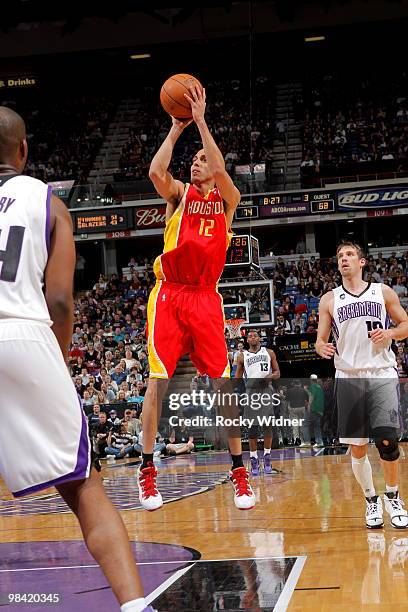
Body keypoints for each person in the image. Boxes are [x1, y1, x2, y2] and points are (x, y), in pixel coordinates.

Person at [0, 107, 152, 612]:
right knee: (84, 485)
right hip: (23, 335)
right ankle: (135, 607)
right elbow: (61, 300)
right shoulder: (48, 202)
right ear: (23, 151)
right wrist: (58, 364)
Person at [142, 84, 255, 511]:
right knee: (158, 382)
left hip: (206, 297)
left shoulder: (228, 199)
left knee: (224, 386)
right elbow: (156, 172)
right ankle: (147, 470)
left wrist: (202, 121)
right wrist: (175, 131)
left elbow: (223, 168)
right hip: (170, 295)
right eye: (193, 159)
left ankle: (239, 471)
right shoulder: (178, 195)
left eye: (201, 158)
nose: (196, 162)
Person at [316, 241, 408, 530]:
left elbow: (405, 324)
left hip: (381, 371)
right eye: (340, 256)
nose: (344, 259)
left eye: (349, 255)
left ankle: (393, 497)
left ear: (362, 262)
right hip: (349, 377)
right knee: (357, 449)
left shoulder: (382, 292)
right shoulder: (329, 299)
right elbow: (321, 337)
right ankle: (371, 500)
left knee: (386, 439)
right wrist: (320, 347)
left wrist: (391, 333)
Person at [235, 330, 281, 475]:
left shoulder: (269, 352)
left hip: (266, 390)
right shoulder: (243, 356)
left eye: (255, 335)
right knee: (253, 429)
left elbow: (277, 372)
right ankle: (254, 460)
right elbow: (237, 378)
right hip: (251, 393)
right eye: (250, 336)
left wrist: (269, 377)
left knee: (268, 425)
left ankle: (267, 457)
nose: (252, 337)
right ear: (247, 340)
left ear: (259, 338)